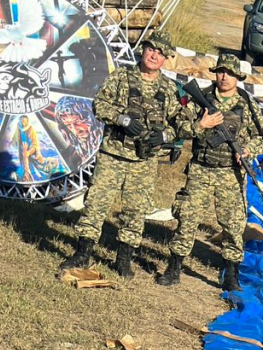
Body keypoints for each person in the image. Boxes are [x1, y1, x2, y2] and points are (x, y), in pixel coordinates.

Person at [58, 30, 190, 277]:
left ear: (165, 60)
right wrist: (122, 118)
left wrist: (164, 136)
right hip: (113, 155)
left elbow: (183, 124)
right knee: (96, 204)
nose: (154, 55)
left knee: (135, 211)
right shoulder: (121, 76)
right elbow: (99, 104)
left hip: (143, 161)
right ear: (144, 51)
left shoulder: (169, 90)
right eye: (151, 49)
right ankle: (83, 253)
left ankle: (124, 259)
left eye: (160, 53)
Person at [156, 54, 263, 291]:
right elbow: (180, 128)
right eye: (220, 71)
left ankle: (231, 275)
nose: (224, 77)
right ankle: (174, 268)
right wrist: (200, 126)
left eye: (229, 73)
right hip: (201, 170)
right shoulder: (200, 98)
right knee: (187, 218)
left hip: (230, 173)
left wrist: (248, 150)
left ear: (238, 76)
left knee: (234, 225)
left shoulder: (247, 104)